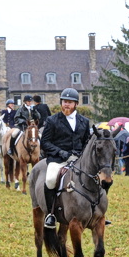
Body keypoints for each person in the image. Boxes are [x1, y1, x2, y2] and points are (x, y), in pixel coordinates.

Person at [40, 88, 90, 229]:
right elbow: (45, 143)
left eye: (69, 102)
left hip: (78, 159)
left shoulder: (84, 121)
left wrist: (82, 154)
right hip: (58, 159)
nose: (66, 105)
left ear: (76, 104)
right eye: (64, 102)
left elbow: (87, 141)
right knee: (50, 179)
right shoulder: (52, 120)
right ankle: (51, 214)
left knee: (96, 178)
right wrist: (61, 153)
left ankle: (96, 212)